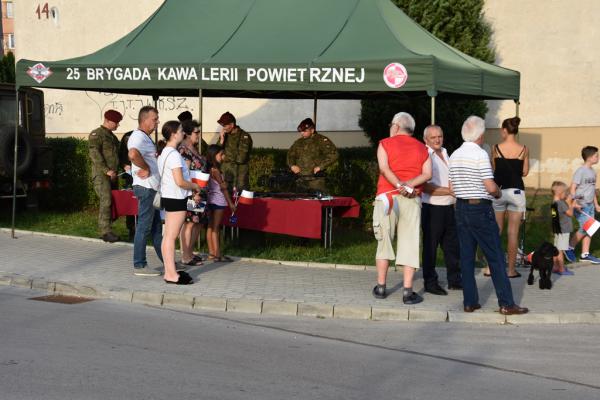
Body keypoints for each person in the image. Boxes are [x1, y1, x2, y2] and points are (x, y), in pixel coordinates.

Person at [449, 115, 528, 315]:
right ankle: (506, 303)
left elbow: (451, 187)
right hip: (480, 208)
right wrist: (498, 193)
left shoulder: (455, 154)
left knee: (466, 257)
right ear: (480, 135)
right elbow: (490, 185)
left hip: (461, 208)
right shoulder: (480, 154)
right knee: (495, 257)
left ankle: (470, 302)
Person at [371, 112, 432, 305]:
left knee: (384, 241)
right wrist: (409, 186)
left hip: (387, 198)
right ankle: (407, 291)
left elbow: (384, 168)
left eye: (391, 124)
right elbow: (427, 174)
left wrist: (398, 185)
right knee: (410, 242)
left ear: (396, 126)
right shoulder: (423, 148)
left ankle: (381, 287)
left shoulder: (385, 143)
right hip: (412, 199)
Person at [485, 116, 529, 278]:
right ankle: (511, 270)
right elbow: (525, 172)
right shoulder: (524, 149)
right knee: (513, 233)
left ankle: (491, 268)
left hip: (499, 191)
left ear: (504, 130)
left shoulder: (496, 148)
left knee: (496, 231)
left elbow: (494, 169)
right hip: (517, 192)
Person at [421, 125, 462, 295]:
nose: (438, 140)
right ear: (426, 140)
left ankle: (454, 280)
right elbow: (425, 186)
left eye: (440, 136)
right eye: (433, 137)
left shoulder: (445, 152)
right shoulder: (424, 155)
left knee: (452, 246)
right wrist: (450, 191)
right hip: (432, 207)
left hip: (448, 207)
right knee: (430, 247)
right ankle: (430, 282)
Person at [157, 120, 199, 285]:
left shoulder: (165, 153)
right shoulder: (173, 155)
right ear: (174, 134)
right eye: (181, 130)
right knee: (170, 236)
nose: (183, 133)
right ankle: (171, 274)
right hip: (176, 197)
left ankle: (169, 271)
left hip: (170, 197)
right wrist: (195, 186)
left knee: (167, 236)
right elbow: (180, 181)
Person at [127, 106, 163, 276]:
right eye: (155, 119)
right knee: (143, 227)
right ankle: (139, 265)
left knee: (156, 228)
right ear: (145, 119)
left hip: (152, 188)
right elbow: (133, 154)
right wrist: (146, 167)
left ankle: (167, 261)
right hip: (146, 187)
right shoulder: (137, 137)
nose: (157, 122)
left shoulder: (144, 137)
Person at [88, 109, 123, 243]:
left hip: (112, 174)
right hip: (102, 174)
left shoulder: (112, 137)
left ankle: (108, 228)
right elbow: (94, 154)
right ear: (108, 120)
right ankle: (105, 231)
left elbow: (115, 156)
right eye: (116, 122)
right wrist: (106, 170)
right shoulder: (97, 134)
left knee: (112, 202)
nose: (118, 125)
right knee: (106, 201)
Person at [178, 119, 207, 267]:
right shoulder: (184, 150)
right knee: (189, 224)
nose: (198, 134)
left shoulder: (193, 148)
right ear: (188, 134)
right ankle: (186, 256)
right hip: (192, 192)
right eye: (196, 132)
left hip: (200, 191)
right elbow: (185, 174)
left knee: (197, 223)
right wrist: (193, 192)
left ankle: (191, 252)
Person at [287, 118, 338, 193]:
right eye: (301, 131)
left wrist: (321, 166)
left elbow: (333, 154)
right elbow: (290, 155)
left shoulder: (321, 140)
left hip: (316, 180)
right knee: (301, 202)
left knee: (317, 202)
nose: (302, 133)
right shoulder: (298, 142)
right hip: (300, 179)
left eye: (304, 131)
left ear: (312, 130)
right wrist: (292, 165)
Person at [568, 146, 600, 263]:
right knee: (585, 227)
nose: (598, 157)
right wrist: (575, 202)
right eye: (596, 155)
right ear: (590, 158)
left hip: (590, 205)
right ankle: (569, 247)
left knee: (590, 229)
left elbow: (592, 190)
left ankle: (585, 254)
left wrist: (596, 204)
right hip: (580, 205)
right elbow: (573, 188)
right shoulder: (580, 171)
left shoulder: (592, 172)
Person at [206, 144, 236, 262]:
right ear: (214, 155)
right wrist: (230, 203)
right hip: (218, 201)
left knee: (210, 226)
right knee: (216, 228)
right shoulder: (216, 170)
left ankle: (211, 253)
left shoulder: (210, 169)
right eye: (220, 154)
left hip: (210, 199)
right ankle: (218, 254)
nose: (222, 157)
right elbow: (223, 188)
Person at [217, 111, 252, 191]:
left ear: (232, 125)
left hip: (240, 180)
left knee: (241, 202)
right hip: (226, 177)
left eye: (225, 125)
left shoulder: (244, 136)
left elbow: (241, 158)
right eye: (222, 126)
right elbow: (216, 154)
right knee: (225, 202)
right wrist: (221, 140)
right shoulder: (224, 136)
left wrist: (225, 157)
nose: (223, 128)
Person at [550, 181, 577, 275]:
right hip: (563, 229)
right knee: (560, 249)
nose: (566, 195)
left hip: (557, 229)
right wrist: (571, 204)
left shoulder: (554, 203)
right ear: (560, 193)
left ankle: (555, 266)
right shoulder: (561, 204)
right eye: (565, 193)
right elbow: (570, 214)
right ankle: (561, 269)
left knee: (556, 248)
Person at [118, 129, 136, 240]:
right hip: (129, 179)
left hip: (141, 178)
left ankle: (139, 227)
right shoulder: (123, 151)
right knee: (131, 204)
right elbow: (120, 158)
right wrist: (124, 166)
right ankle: (131, 228)